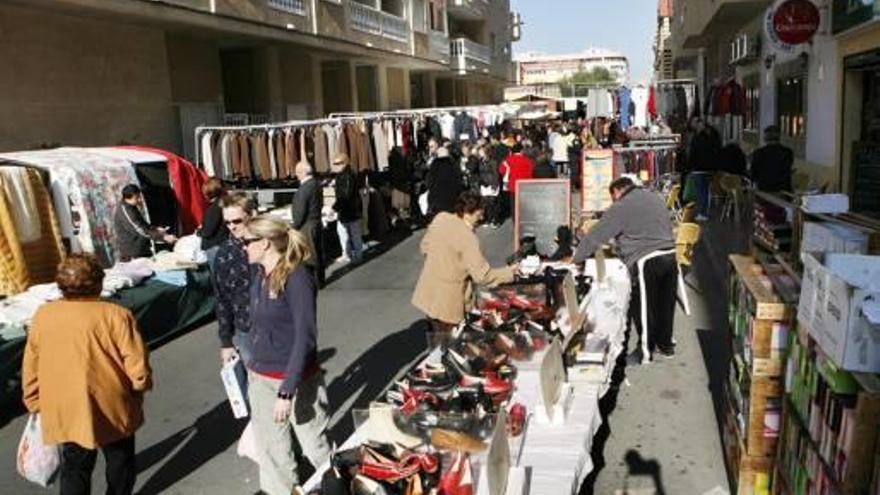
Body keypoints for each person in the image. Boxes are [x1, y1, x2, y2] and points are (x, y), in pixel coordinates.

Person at [22, 254, 152, 495]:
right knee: (119, 458)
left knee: (75, 465)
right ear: (98, 283)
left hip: (64, 404)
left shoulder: (43, 315)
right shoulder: (116, 315)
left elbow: (31, 363)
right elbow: (137, 363)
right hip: (111, 402)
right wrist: (138, 387)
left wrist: (33, 399)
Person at [242, 216, 331, 495]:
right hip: (260, 377)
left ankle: (338, 487)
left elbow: (304, 338)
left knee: (316, 447)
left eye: (246, 241)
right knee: (272, 454)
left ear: (265, 243)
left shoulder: (297, 278)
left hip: (295, 381)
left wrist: (286, 391)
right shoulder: (260, 275)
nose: (242, 247)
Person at [571, 177, 677, 359]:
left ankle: (645, 352)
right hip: (670, 253)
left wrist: (577, 259)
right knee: (665, 304)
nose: (614, 201)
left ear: (618, 191)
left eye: (613, 197)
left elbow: (597, 234)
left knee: (644, 307)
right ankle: (665, 345)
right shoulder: (653, 197)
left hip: (646, 258)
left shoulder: (623, 205)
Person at [412, 191, 516, 334]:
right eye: (480, 212)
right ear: (470, 211)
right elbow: (483, 276)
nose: (482, 216)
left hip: (430, 290)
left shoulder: (441, 219)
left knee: (435, 337)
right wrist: (510, 272)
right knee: (451, 342)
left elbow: (424, 247)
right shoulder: (468, 238)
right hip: (450, 298)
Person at [215, 193, 257, 366]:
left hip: (278, 325)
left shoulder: (270, 243)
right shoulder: (224, 253)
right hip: (246, 328)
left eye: (237, 221)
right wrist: (226, 342)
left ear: (251, 215)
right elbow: (222, 298)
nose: (231, 226)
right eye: (227, 222)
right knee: (256, 386)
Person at [114, 184, 177, 262]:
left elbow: (142, 224)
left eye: (139, 197)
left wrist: (156, 228)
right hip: (132, 252)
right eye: (137, 198)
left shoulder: (131, 206)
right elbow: (140, 230)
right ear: (127, 198)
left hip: (141, 248)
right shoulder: (126, 211)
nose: (140, 200)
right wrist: (163, 237)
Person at [290, 161, 325, 286]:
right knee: (318, 253)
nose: (296, 175)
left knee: (310, 255)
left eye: (297, 172)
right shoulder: (316, 184)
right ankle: (320, 280)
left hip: (307, 225)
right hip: (316, 221)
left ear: (302, 172)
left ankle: (314, 282)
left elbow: (300, 213)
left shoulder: (304, 189)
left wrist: (293, 227)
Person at [330, 153, 364, 263]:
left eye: (338, 163)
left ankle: (357, 255)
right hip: (347, 210)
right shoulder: (341, 175)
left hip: (351, 210)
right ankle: (347, 253)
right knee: (344, 233)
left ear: (345, 163)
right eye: (335, 163)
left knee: (354, 234)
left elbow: (345, 195)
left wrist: (334, 208)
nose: (335, 165)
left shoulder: (348, 176)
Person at [687, 120, 722, 221]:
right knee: (705, 191)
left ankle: (702, 213)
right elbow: (716, 153)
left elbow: (692, 154)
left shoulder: (696, 139)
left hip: (698, 169)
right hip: (709, 169)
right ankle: (704, 212)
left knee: (700, 192)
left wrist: (689, 167)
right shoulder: (712, 140)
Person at [750, 125, 793, 192]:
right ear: (779, 137)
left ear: (765, 138)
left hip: (764, 192)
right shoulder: (788, 152)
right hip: (784, 193)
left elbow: (753, 174)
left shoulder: (759, 153)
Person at [498, 142, 535, 219]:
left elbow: (501, 170)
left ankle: (515, 222)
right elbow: (532, 171)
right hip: (525, 186)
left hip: (513, 187)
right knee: (525, 206)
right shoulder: (528, 160)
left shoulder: (507, 160)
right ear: (521, 151)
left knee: (514, 206)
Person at [199, 177, 229, 266]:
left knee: (218, 275)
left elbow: (207, 231)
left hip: (215, 246)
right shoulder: (223, 204)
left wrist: (199, 231)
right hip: (222, 244)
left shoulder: (214, 208)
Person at [426, 146, 463, 216]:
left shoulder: (434, 164)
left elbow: (429, 180)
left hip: (437, 197)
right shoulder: (453, 164)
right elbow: (459, 179)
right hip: (452, 198)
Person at [477, 144, 503, 228]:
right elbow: (480, 172)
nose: (479, 152)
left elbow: (496, 174)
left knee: (493, 203)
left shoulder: (493, 161)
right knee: (485, 204)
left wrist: (495, 184)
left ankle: (495, 220)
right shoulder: (480, 161)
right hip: (484, 185)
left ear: (485, 152)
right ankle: (488, 219)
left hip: (492, 184)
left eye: (481, 151)